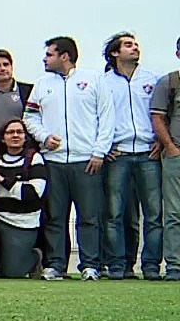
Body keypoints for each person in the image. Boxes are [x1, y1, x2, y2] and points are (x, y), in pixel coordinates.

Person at [23, 36, 114, 281]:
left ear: (64, 56)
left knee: (89, 217)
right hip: (54, 161)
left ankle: (90, 265)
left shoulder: (93, 79)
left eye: (49, 54)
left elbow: (107, 117)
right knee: (55, 216)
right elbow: (29, 117)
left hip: (87, 160)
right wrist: (44, 137)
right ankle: (56, 265)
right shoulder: (42, 83)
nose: (44, 59)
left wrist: (99, 152)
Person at [100, 32, 161, 280]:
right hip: (118, 154)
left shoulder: (152, 79)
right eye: (128, 45)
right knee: (114, 214)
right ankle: (117, 265)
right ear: (115, 53)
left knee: (153, 214)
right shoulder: (103, 82)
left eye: (136, 44)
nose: (135, 48)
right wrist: (103, 147)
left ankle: (151, 266)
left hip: (148, 153)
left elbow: (161, 114)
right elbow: (97, 117)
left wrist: (160, 140)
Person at [0, 119, 47, 278]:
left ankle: (35, 258)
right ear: (3, 138)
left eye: (19, 132)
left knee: (12, 273)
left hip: (23, 223)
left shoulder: (34, 158)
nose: (15, 135)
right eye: (10, 132)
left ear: (25, 137)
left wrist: (4, 181)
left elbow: (33, 193)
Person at [149, 36, 180, 280]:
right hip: (177, 155)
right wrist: (170, 147)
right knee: (174, 213)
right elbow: (157, 117)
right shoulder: (169, 82)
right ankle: (175, 266)